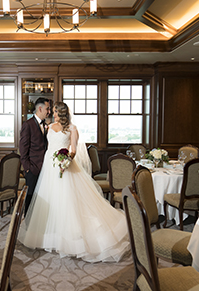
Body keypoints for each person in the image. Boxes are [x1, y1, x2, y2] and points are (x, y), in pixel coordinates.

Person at [18, 102, 129, 263]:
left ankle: (68, 236)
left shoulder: (72, 128)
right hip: (48, 167)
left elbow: (74, 149)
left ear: (61, 113)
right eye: (51, 111)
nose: (52, 113)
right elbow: (43, 146)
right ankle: (50, 235)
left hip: (63, 165)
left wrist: (66, 161)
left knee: (67, 200)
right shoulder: (49, 127)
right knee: (50, 199)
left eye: (55, 111)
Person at [19, 97, 51, 215]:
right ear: (40, 108)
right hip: (33, 168)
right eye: (47, 109)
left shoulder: (46, 125)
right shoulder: (28, 125)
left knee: (42, 198)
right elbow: (23, 149)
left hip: (45, 168)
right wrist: (28, 168)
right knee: (30, 197)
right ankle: (28, 225)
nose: (49, 112)